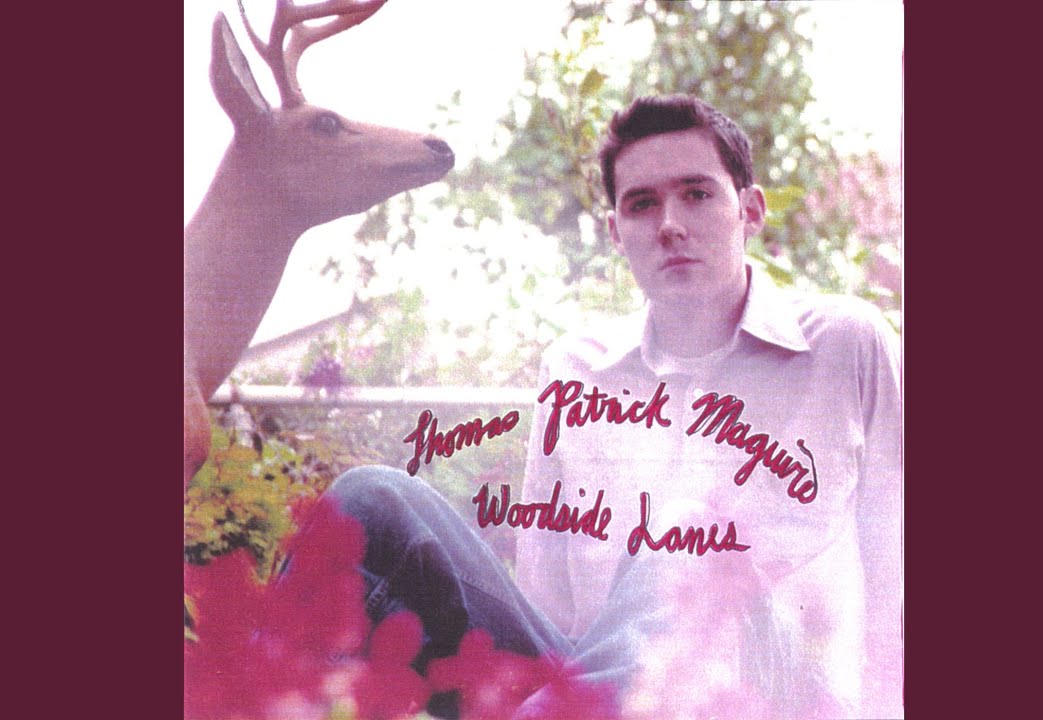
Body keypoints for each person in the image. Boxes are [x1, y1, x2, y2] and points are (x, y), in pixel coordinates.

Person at [328, 94, 903, 719]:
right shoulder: (575, 371)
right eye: (642, 204)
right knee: (371, 501)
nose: (670, 224)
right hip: (610, 692)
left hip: (782, 698)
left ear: (750, 210)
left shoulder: (844, 344)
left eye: (697, 194)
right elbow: (550, 611)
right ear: (616, 233)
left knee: (688, 536)